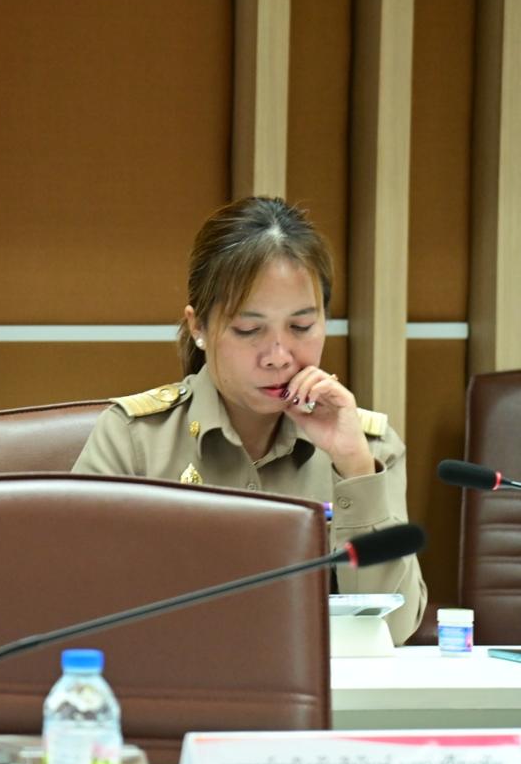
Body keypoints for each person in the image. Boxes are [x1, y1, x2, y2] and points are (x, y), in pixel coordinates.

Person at [73, 196, 427, 644]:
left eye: (301, 327)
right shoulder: (134, 439)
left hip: (322, 687)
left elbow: (394, 628)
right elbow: (75, 607)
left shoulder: (367, 445)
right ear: (198, 326)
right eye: (249, 329)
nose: (278, 356)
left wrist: (355, 469)